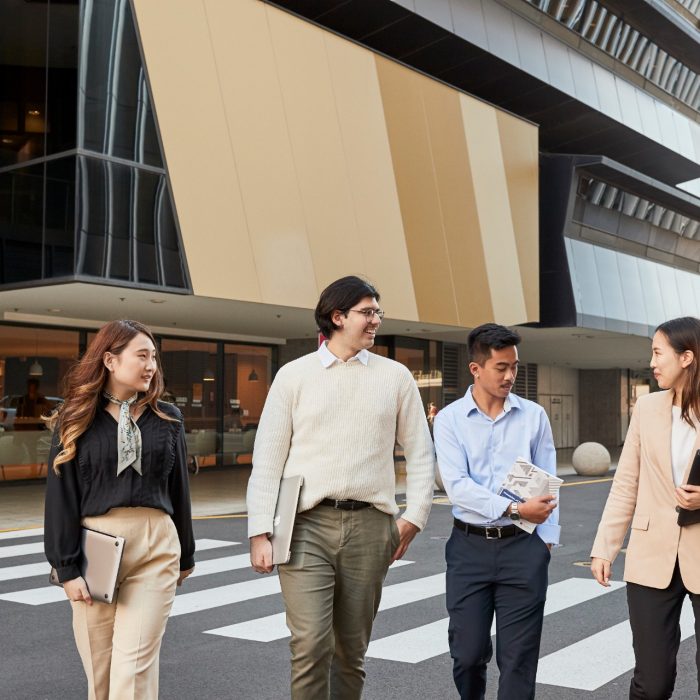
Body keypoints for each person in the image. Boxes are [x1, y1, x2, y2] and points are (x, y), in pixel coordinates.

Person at [247, 275, 435, 699]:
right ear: (337, 317)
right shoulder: (293, 376)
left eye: (377, 312)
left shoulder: (396, 377)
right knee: (311, 643)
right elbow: (268, 460)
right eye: (367, 312)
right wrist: (260, 531)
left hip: (372, 527)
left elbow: (421, 453)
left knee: (351, 652)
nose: (376, 321)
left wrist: (415, 517)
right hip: (304, 526)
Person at [44, 319, 195, 700]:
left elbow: (179, 491)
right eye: (142, 356)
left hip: (155, 545)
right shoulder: (75, 418)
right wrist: (66, 567)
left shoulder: (169, 419)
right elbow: (60, 495)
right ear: (110, 360)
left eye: (155, 358)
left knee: (134, 668)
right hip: (94, 546)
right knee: (101, 669)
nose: (152, 366)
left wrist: (186, 554)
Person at [434, 323, 559, 700]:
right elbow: (457, 487)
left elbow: (549, 482)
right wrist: (514, 506)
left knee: (518, 657)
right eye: (501, 367)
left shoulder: (534, 416)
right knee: (468, 654)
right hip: (469, 548)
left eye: (514, 367)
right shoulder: (450, 419)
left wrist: (546, 542)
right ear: (476, 369)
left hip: (524, 548)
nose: (510, 376)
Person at [591, 316, 700, 700]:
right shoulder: (647, 407)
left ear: (687, 357)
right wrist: (605, 547)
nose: (652, 362)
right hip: (651, 556)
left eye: (658, 353)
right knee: (651, 683)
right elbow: (626, 483)